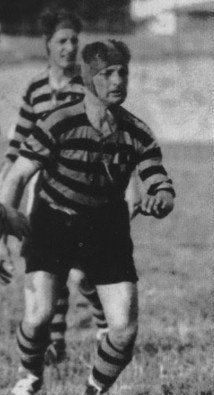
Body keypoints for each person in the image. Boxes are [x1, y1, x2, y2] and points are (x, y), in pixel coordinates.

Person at [0, 40, 175, 395]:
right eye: (107, 73)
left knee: (124, 329)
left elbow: (157, 177)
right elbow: (16, 176)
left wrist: (162, 196)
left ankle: (96, 390)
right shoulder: (58, 121)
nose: (117, 80)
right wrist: (4, 229)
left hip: (106, 226)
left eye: (122, 73)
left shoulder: (136, 131)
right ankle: (27, 381)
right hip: (52, 221)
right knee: (39, 314)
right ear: (87, 78)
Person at [0, 9, 121, 364]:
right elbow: (18, 143)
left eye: (73, 41)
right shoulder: (36, 88)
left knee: (84, 271)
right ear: (47, 45)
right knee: (51, 264)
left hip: (80, 188)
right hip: (42, 189)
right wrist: (7, 185)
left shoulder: (87, 86)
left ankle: (102, 325)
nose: (69, 48)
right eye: (61, 41)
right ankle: (55, 341)